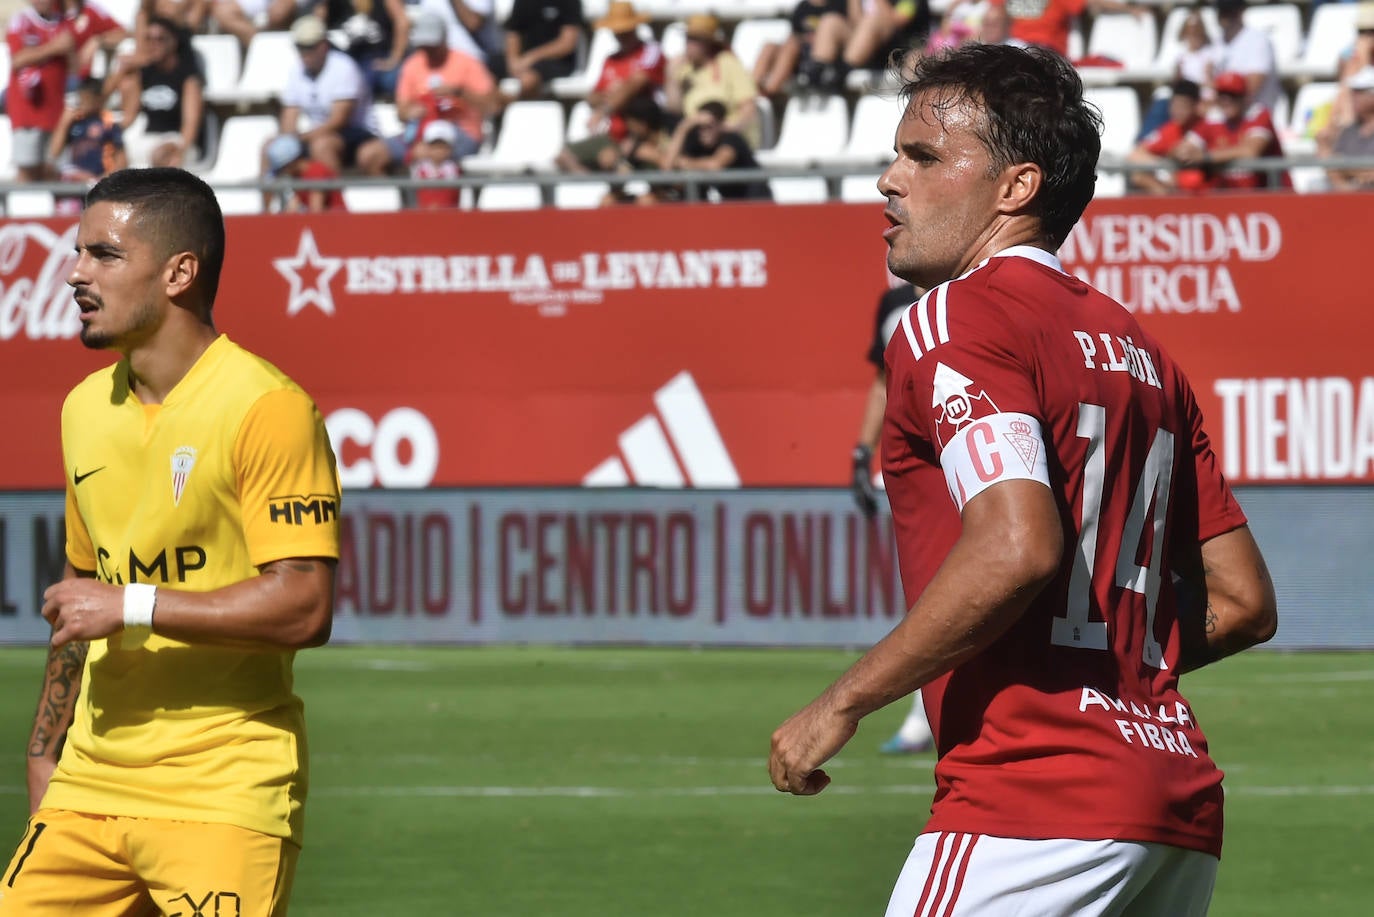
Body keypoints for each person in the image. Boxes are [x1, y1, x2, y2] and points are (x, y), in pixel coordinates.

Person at [768, 43, 1278, 915]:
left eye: (922, 156)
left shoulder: (954, 318)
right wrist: (1111, 666)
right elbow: (1242, 602)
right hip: (1173, 807)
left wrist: (843, 701)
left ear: (1015, 187)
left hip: (1033, 801)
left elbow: (1016, 543)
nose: (888, 181)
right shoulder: (1145, 355)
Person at [0, 167, 340, 917]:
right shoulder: (84, 408)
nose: (75, 273)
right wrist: (42, 749)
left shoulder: (267, 407)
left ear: (180, 272)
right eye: (78, 252)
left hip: (221, 787)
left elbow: (305, 605)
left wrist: (134, 603)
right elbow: (80, 596)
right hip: (89, 786)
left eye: (104, 254)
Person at [851, 274, 934, 755]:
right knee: (922, 588)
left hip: (970, 456)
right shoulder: (894, 304)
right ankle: (926, 713)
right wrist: (862, 453)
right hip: (913, 468)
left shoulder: (976, 292)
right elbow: (883, 382)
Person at [555, 1, 665, 174]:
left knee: (611, 157)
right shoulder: (611, 60)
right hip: (614, 133)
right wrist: (613, 94)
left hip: (642, 132)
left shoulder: (650, 51)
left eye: (625, 31)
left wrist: (606, 107)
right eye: (617, 32)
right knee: (564, 156)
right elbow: (593, 96)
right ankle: (593, 187)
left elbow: (635, 84)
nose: (621, 35)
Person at [278, 13, 392, 176]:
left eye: (309, 47)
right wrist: (287, 142)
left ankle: (335, 200)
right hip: (318, 134)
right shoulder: (296, 71)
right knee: (272, 148)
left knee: (322, 145)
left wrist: (301, 139)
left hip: (358, 133)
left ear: (323, 45)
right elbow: (289, 116)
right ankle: (271, 200)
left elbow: (339, 121)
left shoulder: (344, 67)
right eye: (300, 47)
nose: (304, 53)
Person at [395, 8, 497, 161]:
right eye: (424, 46)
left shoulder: (467, 63)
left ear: (443, 40)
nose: (428, 51)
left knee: (429, 152)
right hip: (420, 130)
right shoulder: (412, 64)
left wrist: (459, 93)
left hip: (462, 130)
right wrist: (414, 111)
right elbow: (401, 111)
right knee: (371, 154)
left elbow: (493, 106)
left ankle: (435, 183)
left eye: (432, 45)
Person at [1174, 70, 1290, 190]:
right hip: (1230, 199)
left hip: (1269, 196)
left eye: (1233, 95)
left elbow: (1250, 152)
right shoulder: (1214, 117)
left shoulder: (1258, 114)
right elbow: (1183, 148)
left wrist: (1205, 157)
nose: (1226, 100)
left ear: (1244, 97)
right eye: (1221, 95)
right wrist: (1184, 153)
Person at [118, 17, 205, 168]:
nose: (153, 44)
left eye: (160, 39)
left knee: (160, 155)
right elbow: (129, 117)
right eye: (149, 39)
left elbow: (190, 124)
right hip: (148, 138)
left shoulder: (188, 80)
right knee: (114, 152)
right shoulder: (143, 75)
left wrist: (181, 150)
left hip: (175, 139)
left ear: (173, 42)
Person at [666, 14, 760, 148]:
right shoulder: (684, 69)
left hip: (725, 137)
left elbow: (748, 108)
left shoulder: (727, 63)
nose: (689, 44)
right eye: (688, 39)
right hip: (695, 136)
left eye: (695, 40)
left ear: (708, 43)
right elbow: (674, 109)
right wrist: (672, 77)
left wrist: (723, 129)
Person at [7, 0, 75, 182]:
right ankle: (21, 211)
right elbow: (17, 59)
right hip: (28, 112)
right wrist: (54, 47)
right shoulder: (21, 21)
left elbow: (75, 66)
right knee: (27, 171)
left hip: (56, 113)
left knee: (55, 171)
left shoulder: (64, 23)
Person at [664, 100, 771, 201]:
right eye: (700, 127)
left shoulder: (733, 139)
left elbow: (715, 165)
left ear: (721, 124)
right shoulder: (698, 143)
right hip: (730, 207)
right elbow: (668, 167)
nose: (704, 132)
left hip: (756, 203)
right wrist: (684, 127)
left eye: (709, 126)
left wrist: (684, 162)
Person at [48, 77, 125, 214]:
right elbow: (54, 152)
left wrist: (104, 178)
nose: (82, 103)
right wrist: (64, 123)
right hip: (75, 181)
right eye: (80, 98)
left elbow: (121, 158)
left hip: (99, 180)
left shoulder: (108, 123)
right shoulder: (74, 123)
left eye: (86, 98)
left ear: (98, 99)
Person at [1128, 78, 1210, 195]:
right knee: (1139, 176)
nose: (1177, 111)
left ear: (1196, 105)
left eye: (1183, 106)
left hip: (1209, 194)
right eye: (1175, 105)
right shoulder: (1170, 129)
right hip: (1178, 196)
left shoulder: (1208, 126)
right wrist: (1166, 168)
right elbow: (1135, 154)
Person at [754, 0, 848, 97]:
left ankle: (768, 91)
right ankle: (751, 89)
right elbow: (794, 34)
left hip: (820, 57)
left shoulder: (838, 5)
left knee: (791, 47)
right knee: (769, 47)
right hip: (800, 52)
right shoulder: (802, 7)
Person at [502, 0, 582, 101]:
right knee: (485, 68)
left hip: (558, 61)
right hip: (524, 60)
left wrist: (530, 58)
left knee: (528, 79)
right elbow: (513, 33)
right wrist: (513, 61)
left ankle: (521, 111)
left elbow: (567, 44)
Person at [1212, 0, 1281, 114]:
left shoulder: (1258, 40)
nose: (1224, 17)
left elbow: (1252, 87)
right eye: (1221, 12)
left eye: (1228, 11)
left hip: (1254, 114)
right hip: (1223, 113)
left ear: (1240, 12)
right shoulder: (1217, 42)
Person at [265, 131, 349, 211]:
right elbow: (292, 208)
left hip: (336, 223)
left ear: (291, 163)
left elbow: (316, 211)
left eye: (282, 169)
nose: (283, 173)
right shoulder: (298, 177)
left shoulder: (316, 171)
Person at [1325, 65, 1374, 190]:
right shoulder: (1349, 131)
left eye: (1360, 91)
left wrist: (1346, 168)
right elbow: (1333, 165)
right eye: (1353, 92)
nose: (1353, 97)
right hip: (1350, 199)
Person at [410, 118, 465, 208]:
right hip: (423, 216)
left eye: (442, 147)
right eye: (434, 147)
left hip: (448, 216)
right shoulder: (418, 168)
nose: (438, 151)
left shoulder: (453, 169)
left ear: (450, 149)